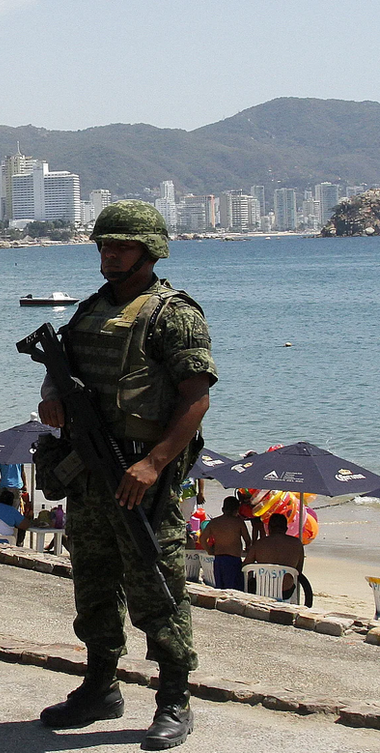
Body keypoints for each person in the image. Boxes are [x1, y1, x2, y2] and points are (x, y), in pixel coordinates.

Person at [36, 200, 216, 748]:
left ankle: (174, 699)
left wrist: (154, 461)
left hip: (144, 478)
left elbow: (195, 399)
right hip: (90, 474)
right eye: (103, 245)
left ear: (149, 250)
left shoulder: (173, 314)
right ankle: (99, 687)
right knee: (91, 581)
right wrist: (51, 401)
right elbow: (59, 373)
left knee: (156, 586)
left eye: (120, 245)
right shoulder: (88, 312)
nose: (109, 254)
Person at [244, 513, 304, 599]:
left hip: (260, 589)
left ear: (269, 528)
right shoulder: (297, 544)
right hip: (285, 592)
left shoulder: (259, 543)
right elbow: (299, 570)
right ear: (286, 529)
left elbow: (246, 565)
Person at [202, 496, 252, 591]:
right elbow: (247, 540)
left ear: (222, 509)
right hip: (234, 559)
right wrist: (248, 549)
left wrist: (209, 551)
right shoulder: (238, 522)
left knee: (221, 589)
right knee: (235, 590)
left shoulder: (214, 522)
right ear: (237, 510)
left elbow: (203, 539)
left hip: (219, 559)